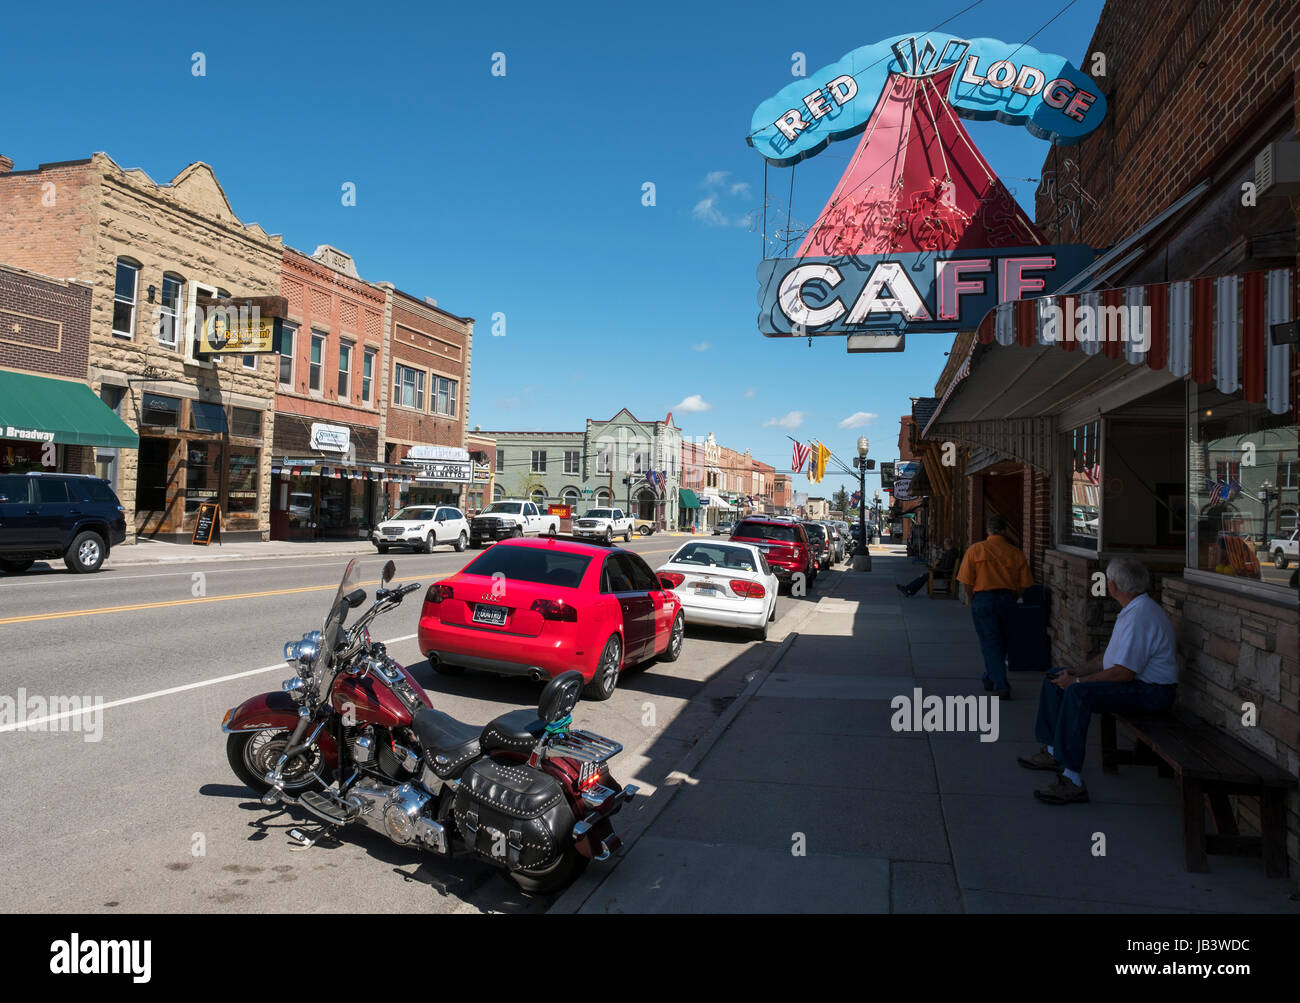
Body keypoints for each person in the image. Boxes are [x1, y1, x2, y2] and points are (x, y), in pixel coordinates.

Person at [1018, 557, 1179, 805]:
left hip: (1153, 692)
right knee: (1056, 677)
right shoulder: (1132, 609)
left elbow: (1123, 673)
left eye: (1107, 579)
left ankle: (1072, 780)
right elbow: (1108, 657)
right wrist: (1075, 672)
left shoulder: (1141, 616)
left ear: (1114, 586)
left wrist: (1079, 683)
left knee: (1077, 694)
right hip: (1137, 686)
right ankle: (1052, 751)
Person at [955, 515, 1032, 697]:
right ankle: (990, 677)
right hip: (1007, 599)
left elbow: (966, 580)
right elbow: (1025, 584)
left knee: (990, 642)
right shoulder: (1016, 553)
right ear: (1004, 531)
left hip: (983, 598)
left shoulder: (975, 550)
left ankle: (1000, 684)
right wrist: (1014, 596)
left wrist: (972, 598)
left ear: (988, 531)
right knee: (1003, 641)